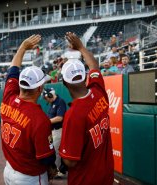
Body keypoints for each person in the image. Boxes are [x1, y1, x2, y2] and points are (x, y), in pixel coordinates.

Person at [0, 35, 57, 185]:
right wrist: (52, 167)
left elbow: (13, 70)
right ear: (39, 88)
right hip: (29, 178)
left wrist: (22, 48)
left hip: (8, 170)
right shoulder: (39, 119)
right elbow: (46, 157)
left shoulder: (8, 97)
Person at [59, 32, 114, 185]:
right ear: (84, 76)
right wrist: (81, 47)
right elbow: (94, 65)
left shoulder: (73, 115)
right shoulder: (98, 91)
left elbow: (70, 162)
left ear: (64, 82)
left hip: (85, 180)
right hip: (106, 174)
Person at [42, 87, 67, 178]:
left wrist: (46, 122)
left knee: (56, 151)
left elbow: (60, 118)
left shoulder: (60, 102)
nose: (46, 100)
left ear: (50, 94)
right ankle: (55, 170)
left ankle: (59, 171)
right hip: (52, 131)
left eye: (46, 97)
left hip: (58, 130)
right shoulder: (52, 103)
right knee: (52, 150)